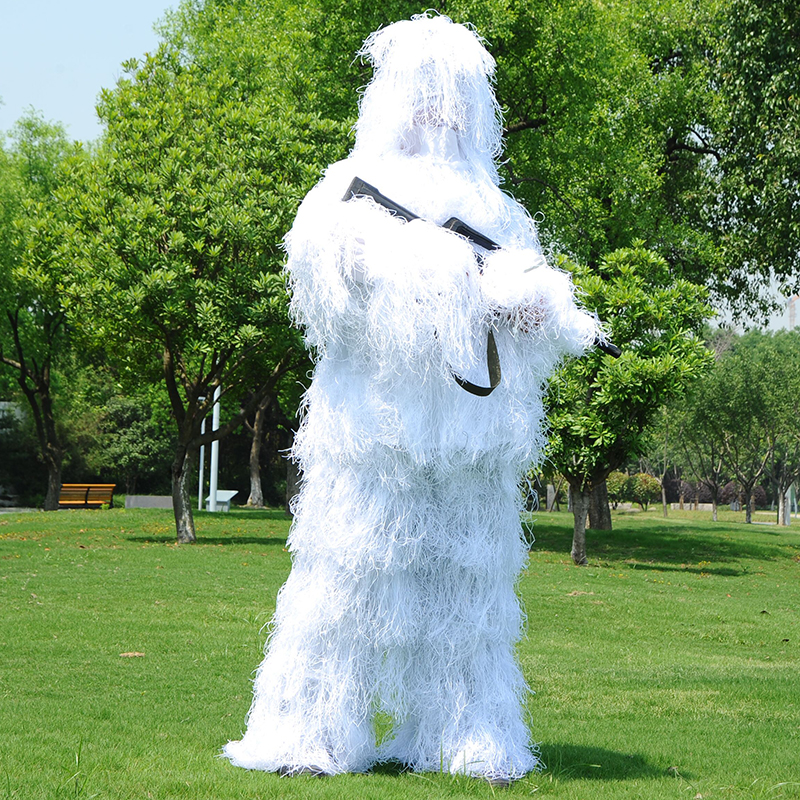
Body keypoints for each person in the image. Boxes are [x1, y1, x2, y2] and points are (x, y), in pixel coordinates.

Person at [223, 14, 597, 784]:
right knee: (343, 589)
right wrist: (428, 265)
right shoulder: (345, 192)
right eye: (425, 93)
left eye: (455, 95)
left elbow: (528, 308)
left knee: (470, 604)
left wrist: (534, 302)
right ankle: (310, 732)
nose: (440, 111)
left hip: (469, 450)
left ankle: (466, 736)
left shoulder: (498, 210)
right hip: (373, 439)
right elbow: (328, 281)